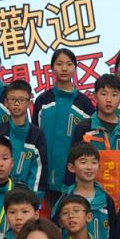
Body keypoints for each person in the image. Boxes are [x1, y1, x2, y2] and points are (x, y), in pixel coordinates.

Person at [32, 47, 93, 196]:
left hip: (73, 178)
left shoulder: (84, 103)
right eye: (59, 64)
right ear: (52, 68)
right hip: (43, 175)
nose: (64, 68)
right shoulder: (42, 101)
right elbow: (34, 137)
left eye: (69, 64)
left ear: (75, 68)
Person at [71, 73, 120, 184]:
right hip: (89, 191)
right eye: (103, 94)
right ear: (95, 97)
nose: (109, 99)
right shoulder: (84, 128)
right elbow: (73, 162)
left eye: (114, 94)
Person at [0, 79, 47, 192]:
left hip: (26, 197)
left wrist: (31, 198)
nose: (16, 104)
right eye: (12, 99)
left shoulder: (37, 134)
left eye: (21, 100)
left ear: (29, 103)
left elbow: (39, 170)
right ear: (6, 103)